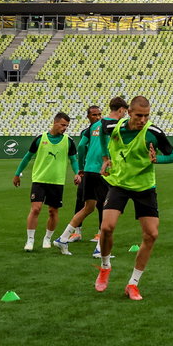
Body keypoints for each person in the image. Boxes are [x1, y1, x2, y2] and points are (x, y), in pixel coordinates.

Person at [95, 96, 173, 300]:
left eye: (146, 116)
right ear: (128, 112)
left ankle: (133, 284)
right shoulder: (112, 125)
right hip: (119, 184)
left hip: (144, 187)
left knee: (151, 235)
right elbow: (102, 134)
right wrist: (106, 158)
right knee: (106, 227)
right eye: (139, 115)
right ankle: (105, 267)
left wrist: (158, 159)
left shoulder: (153, 133)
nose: (143, 120)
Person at [54, 97, 127, 257]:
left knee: (88, 207)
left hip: (88, 170)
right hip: (103, 171)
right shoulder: (116, 125)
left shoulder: (94, 126)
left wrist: (81, 168)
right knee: (109, 209)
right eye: (125, 112)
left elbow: (81, 146)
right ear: (121, 110)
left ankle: (63, 238)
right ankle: (100, 249)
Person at [12, 112, 80, 252]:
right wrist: (17, 174)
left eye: (67, 125)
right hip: (39, 180)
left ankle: (47, 238)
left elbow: (73, 160)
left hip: (57, 182)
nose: (65, 128)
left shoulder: (69, 141)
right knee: (35, 209)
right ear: (55, 123)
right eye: (62, 125)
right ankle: (30, 240)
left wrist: (77, 173)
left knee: (53, 211)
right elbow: (27, 157)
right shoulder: (40, 139)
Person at [71, 105, 103, 218]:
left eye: (99, 114)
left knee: (100, 202)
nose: (98, 117)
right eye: (94, 115)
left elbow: (81, 146)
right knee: (81, 199)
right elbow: (81, 148)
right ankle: (77, 231)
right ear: (88, 116)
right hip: (89, 169)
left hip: (97, 168)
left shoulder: (105, 129)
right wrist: (81, 169)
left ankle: (100, 232)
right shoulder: (86, 131)